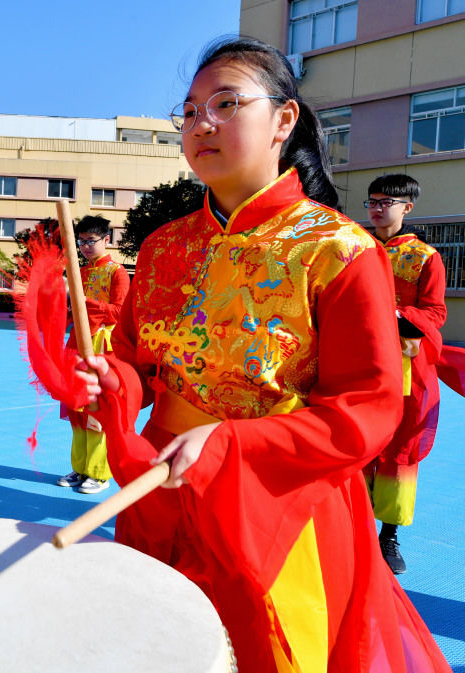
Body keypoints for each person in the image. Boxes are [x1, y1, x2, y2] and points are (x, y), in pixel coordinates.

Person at [73, 37, 450, 671]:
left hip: (278, 502)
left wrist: (229, 445)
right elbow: (140, 362)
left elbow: (367, 408)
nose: (202, 124)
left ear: (283, 120)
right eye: (190, 112)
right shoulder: (164, 246)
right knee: (157, 645)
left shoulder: (336, 249)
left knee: (264, 653)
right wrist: (111, 381)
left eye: (225, 103)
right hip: (159, 490)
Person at [362, 174, 445, 575]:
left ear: (407, 208)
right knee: (351, 440)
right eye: (372, 201)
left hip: (407, 368)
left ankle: (389, 534)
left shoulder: (425, 257)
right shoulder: (351, 248)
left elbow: (435, 313)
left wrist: (394, 316)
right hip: (354, 364)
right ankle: (352, 526)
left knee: (400, 452)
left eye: (386, 202)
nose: (377, 208)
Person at [56, 215, 128, 494]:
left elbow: (119, 313)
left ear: (106, 240)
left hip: (102, 347)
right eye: (81, 241)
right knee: (77, 408)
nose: (85, 246)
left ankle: (99, 473)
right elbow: (70, 313)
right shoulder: (80, 273)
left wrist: (85, 303)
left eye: (91, 241)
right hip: (76, 345)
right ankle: (80, 467)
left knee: (98, 410)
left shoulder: (117, 272)